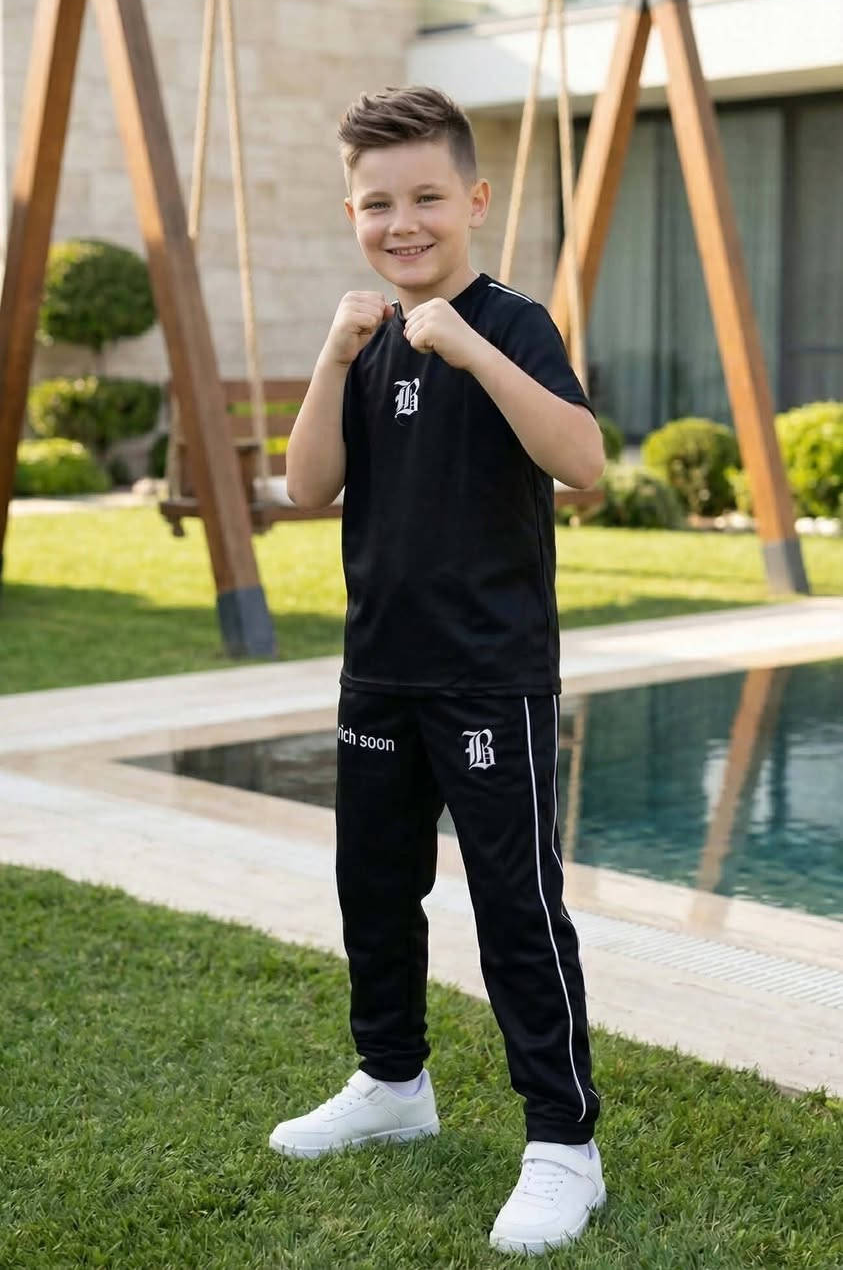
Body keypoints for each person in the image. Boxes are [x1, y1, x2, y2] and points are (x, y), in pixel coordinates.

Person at [270, 85, 606, 1257]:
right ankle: (392, 1082)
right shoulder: (364, 339)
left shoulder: (513, 322)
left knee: (516, 904)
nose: (402, 222)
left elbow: (583, 460)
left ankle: (564, 1142)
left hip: (491, 674)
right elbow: (307, 485)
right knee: (373, 888)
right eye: (378, 203)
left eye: (426, 198)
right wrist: (333, 353)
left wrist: (466, 344)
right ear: (352, 214)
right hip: (381, 668)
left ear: (474, 200)